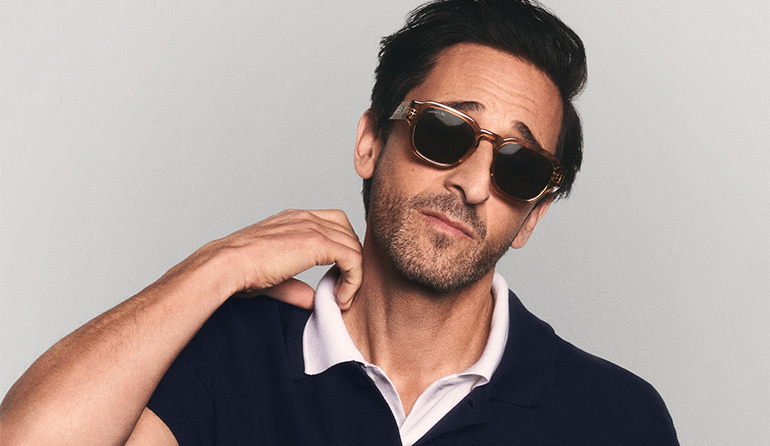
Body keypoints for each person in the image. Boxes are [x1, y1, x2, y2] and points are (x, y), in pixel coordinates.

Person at [0, 0, 678, 444]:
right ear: (370, 142)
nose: (473, 185)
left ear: (531, 218)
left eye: (519, 168)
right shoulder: (231, 354)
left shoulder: (616, 419)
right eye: (445, 132)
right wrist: (214, 269)